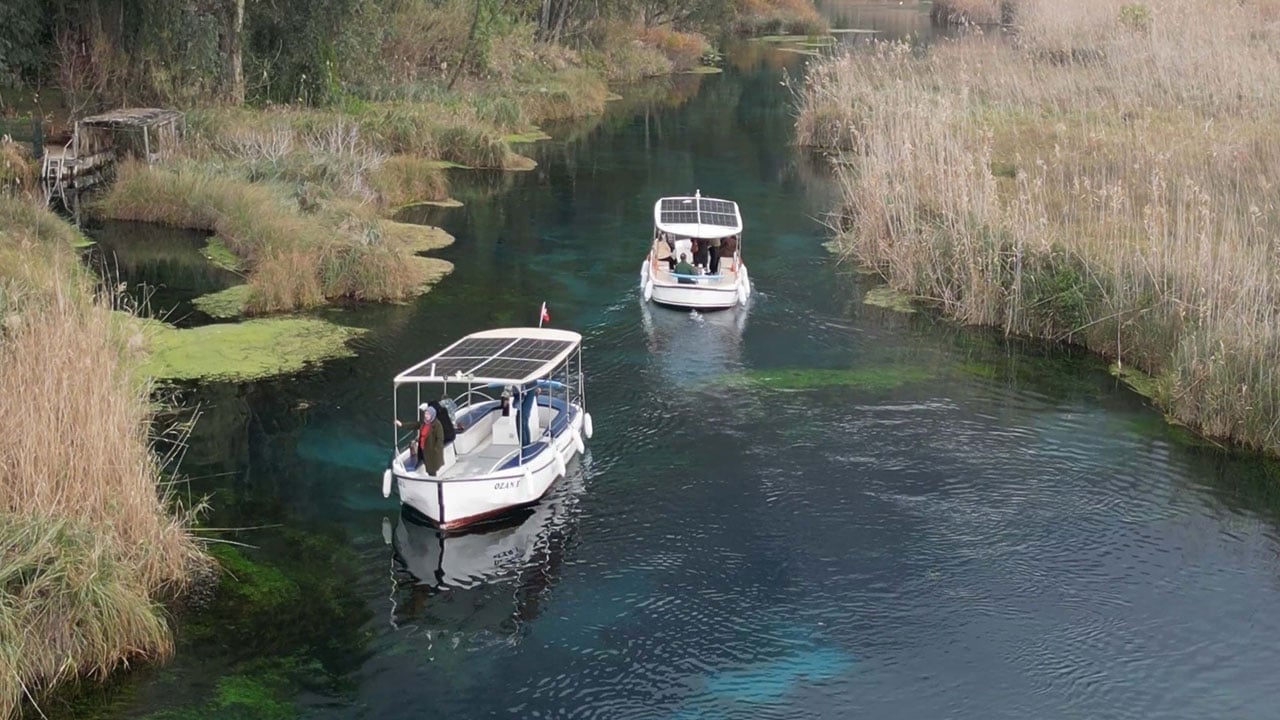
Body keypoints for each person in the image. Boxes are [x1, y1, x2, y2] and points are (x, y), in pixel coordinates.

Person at [396, 404, 445, 476]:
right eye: (425, 413)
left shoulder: (437, 425)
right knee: (423, 462)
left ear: (432, 415)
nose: (426, 415)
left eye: (428, 414)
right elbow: (414, 425)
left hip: (431, 452)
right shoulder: (424, 422)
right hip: (422, 449)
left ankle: (433, 483)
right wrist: (402, 424)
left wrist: (436, 450)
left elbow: (440, 439)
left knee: (431, 470)